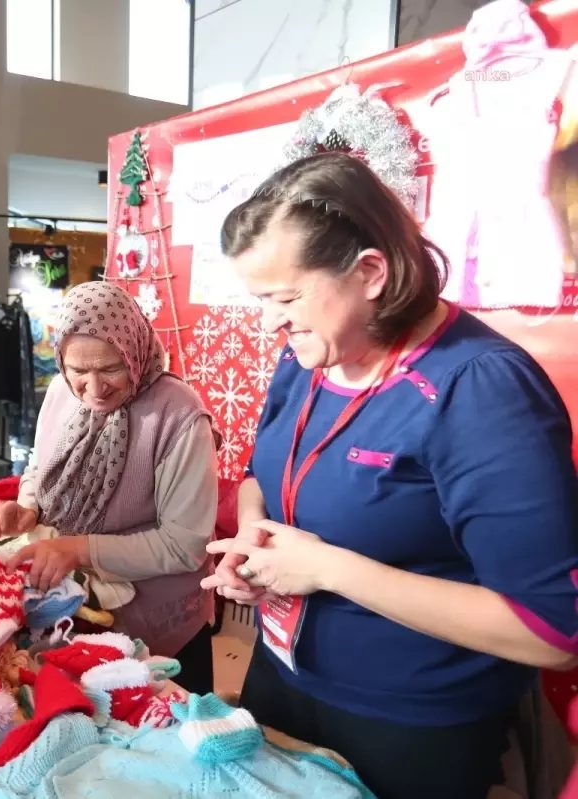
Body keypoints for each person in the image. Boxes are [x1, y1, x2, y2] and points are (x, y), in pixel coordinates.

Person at [203, 152, 578, 798]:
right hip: (282, 676)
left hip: (410, 723)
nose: (270, 321)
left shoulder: (478, 389)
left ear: (370, 272)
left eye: (285, 298)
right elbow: (260, 475)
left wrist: (328, 570)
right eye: (260, 299)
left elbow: (551, 630)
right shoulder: (310, 354)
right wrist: (256, 536)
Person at [0, 281, 219, 694]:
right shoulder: (59, 393)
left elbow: (184, 546)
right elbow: (40, 466)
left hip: (162, 629)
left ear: (134, 351)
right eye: (78, 371)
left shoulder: (178, 415)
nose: (94, 390)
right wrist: (28, 508)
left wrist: (78, 549)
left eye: (111, 369)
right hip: (77, 614)